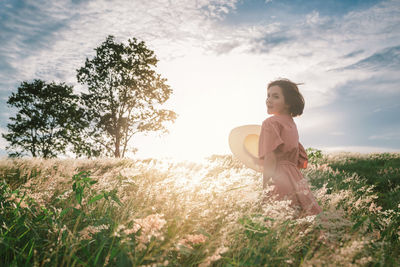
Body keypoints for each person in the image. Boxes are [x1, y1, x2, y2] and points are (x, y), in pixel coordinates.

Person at [258, 79, 322, 217]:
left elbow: (270, 157)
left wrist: (265, 188)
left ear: (288, 103)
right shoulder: (292, 125)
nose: (269, 100)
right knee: (304, 218)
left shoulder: (270, 122)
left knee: (279, 221)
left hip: (278, 177)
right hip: (296, 178)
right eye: (268, 96)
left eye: (275, 96)